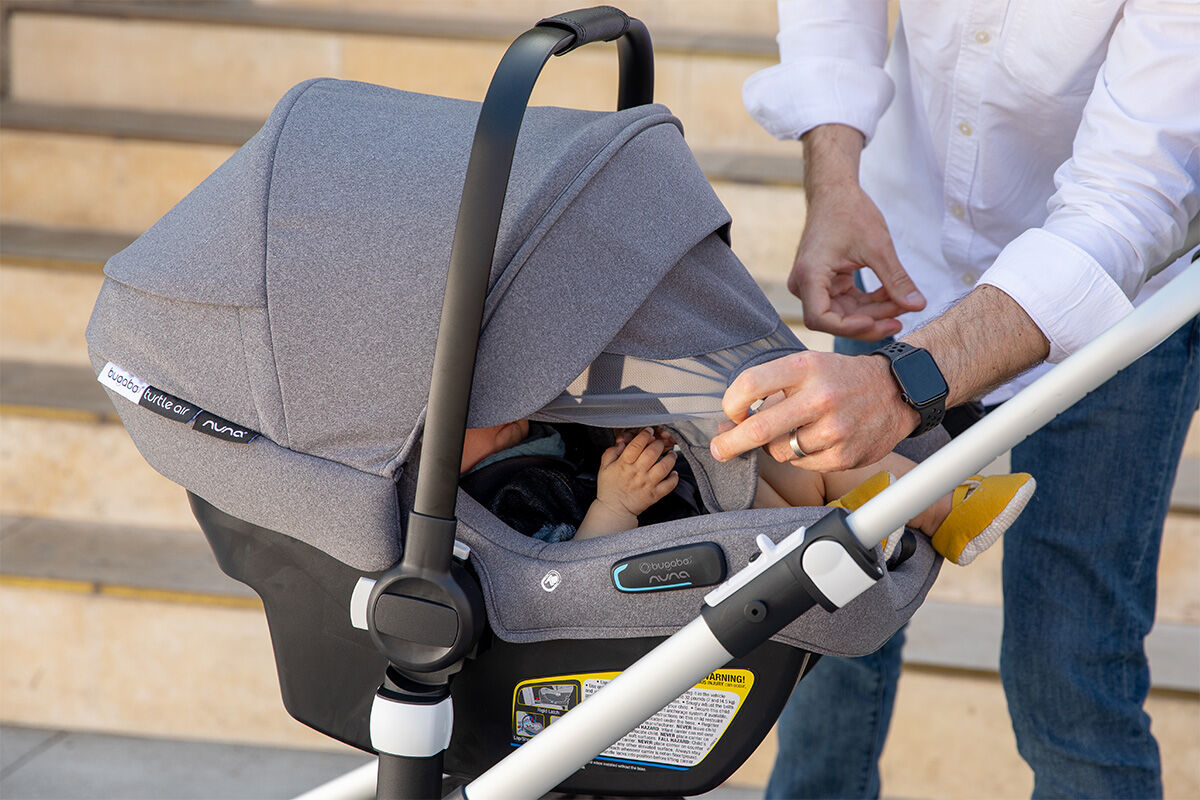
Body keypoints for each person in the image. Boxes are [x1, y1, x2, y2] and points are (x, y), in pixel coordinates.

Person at [714, 2, 1200, 797]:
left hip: (1119, 303)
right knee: (824, 625)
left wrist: (900, 386)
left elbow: (1128, 201)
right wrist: (836, 182)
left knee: (1070, 670)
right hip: (901, 249)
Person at [463, 421, 1035, 562]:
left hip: (696, 498)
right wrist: (614, 503)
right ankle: (894, 518)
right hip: (667, 559)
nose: (495, 406)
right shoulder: (491, 502)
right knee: (780, 477)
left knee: (788, 454)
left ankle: (941, 506)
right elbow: (558, 584)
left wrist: (631, 438)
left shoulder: (540, 430)